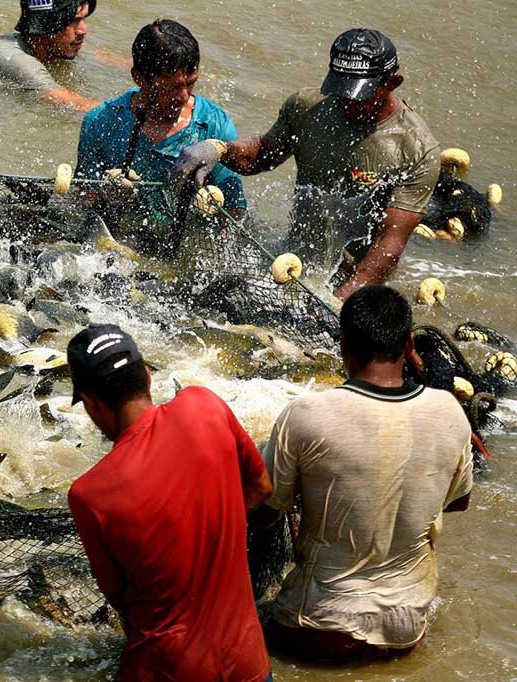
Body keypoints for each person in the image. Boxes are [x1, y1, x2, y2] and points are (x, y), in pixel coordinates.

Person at [255, 285, 473, 661]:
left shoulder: (307, 414)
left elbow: (265, 513)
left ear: (343, 346)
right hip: (405, 632)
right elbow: (459, 500)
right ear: (408, 345)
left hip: (315, 628)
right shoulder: (450, 412)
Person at [66, 324, 273, 681]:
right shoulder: (204, 406)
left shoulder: (89, 494)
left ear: (91, 403)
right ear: (147, 376)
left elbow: (122, 599)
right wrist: (214, 531)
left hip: (166, 669)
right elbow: (261, 487)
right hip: (248, 663)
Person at [171, 29, 440, 300]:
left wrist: (337, 303)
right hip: (294, 260)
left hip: (355, 279)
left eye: (359, 95)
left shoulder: (416, 150)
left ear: (393, 82)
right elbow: (262, 155)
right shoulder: (306, 107)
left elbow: (388, 245)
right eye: (341, 90)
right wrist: (220, 148)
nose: (346, 102)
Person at [75, 19, 247, 249]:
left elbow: (235, 214)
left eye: (190, 84)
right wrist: (106, 194)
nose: (183, 96)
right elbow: (82, 200)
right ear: (139, 77)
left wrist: (212, 210)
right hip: (120, 245)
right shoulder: (101, 122)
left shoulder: (215, 127)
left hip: (184, 248)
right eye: (171, 87)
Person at [0, 0, 100, 112]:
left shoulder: (54, 48)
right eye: (73, 21)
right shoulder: (14, 58)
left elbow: (100, 57)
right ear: (46, 24)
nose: (83, 30)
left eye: (84, 19)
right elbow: (68, 102)